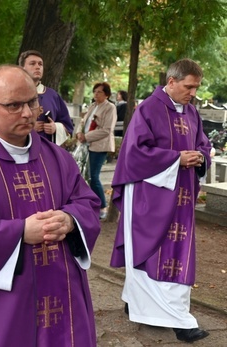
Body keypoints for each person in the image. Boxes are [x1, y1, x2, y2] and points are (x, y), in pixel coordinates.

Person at [0, 64, 101, 346]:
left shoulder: (58, 158)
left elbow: (86, 202)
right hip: (5, 301)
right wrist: (20, 232)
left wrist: (71, 220)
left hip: (62, 291)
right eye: (13, 105)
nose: (27, 113)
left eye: (31, 102)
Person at [110, 58, 211, 343]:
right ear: (171, 81)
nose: (193, 93)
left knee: (178, 253)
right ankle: (181, 322)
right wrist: (176, 158)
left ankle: (141, 302)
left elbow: (203, 143)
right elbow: (135, 152)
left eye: (196, 88)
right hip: (150, 197)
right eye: (189, 87)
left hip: (183, 196)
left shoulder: (192, 112)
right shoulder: (148, 109)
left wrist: (200, 155)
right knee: (149, 250)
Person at [75, 82, 117, 220]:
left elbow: (106, 130)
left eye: (99, 92)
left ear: (106, 94)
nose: (96, 94)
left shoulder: (110, 108)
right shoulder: (93, 106)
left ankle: (102, 206)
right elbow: (83, 122)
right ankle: (92, 204)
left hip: (99, 145)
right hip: (86, 144)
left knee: (94, 175)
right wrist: (79, 133)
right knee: (85, 175)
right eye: (95, 91)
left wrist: (86, 136)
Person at [19, 50, 73, 145]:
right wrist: (28, 127)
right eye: (32, 64)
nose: (38, 67)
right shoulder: (13, 92)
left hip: (46, 150)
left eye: (40, 64)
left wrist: (55, 127)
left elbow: (68, 126)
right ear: (22, 68)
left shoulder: (52, 95)